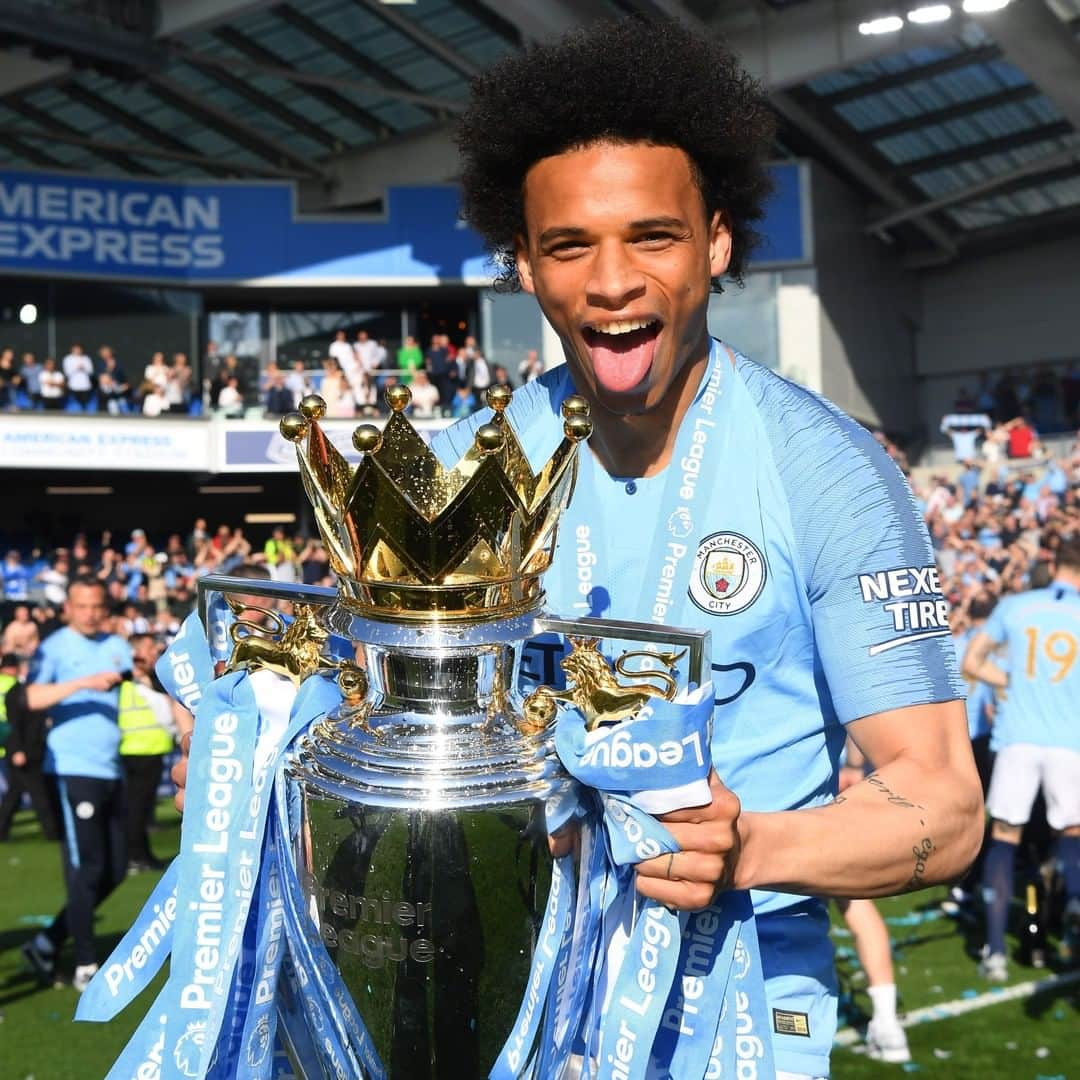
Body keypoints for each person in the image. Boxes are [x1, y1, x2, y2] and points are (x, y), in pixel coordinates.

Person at [440, 19, 982, 1077]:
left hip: (739, 984)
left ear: (718, 241)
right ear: (524, 265)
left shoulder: (830, 470)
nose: (611, 282)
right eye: (569, 245)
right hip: (513, 977)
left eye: (652, 235)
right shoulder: (470, 470)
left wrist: (752, 847)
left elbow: (946, 803)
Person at [962, 533, 1080, 980]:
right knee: (1071, 832)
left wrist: (1007, 679)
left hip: (1017, 737)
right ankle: (1072, 904)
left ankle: (994, 950)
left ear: (1055, 564)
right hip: (1069, 739)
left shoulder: (1017, 606)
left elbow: (972, 662)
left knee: (1006, 837)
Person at [21, 578, 131, 991]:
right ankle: (85, 962)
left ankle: (47, 941)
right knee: (87, 868)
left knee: (116, 869)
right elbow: (28, 697)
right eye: (82, 606)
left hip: (111, 767)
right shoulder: (55, 647)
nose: (89, 613)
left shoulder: (116, 644)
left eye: (96, 606)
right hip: (71, 767)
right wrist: (82, 684)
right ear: (68, 607)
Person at [118, 635, 177, 872]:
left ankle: (141, 855)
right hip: (142, 748)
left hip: (143, 747)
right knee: (137, 809)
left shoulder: (138, 678)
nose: (155, 652)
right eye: (150, 648)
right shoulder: (133, 678)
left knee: (140, 808)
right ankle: (137, 856)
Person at [0, 654, 59, 842]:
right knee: (39, 794)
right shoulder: (16, 693)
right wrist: (17, 749)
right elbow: (13, 725)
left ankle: (2, 830)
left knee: (14, 794)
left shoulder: (29, 691)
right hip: (23, 750)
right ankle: (53, 832)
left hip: (30, 749)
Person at [96, 347, 130, 414]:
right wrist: (110, 368)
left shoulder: (118, 364)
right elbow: (102, 378)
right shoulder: (100, 365)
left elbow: (123, 379)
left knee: (122, 402)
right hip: (108, 393)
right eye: (104, 353)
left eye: (107, 352)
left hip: (118, 389)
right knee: (112, 404)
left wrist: (123, 385)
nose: (106, 354)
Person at [62, 343, 95, 410]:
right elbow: (67, 372)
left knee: (85, 404)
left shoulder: (86, 358)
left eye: (79, 349)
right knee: (75, 404)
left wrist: (84, 368)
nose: (78, 351)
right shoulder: (68, 359)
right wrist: (76, 367)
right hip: (73, 386)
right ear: (72, 350)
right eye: (76, 349)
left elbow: (91, 371)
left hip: (85, 386)